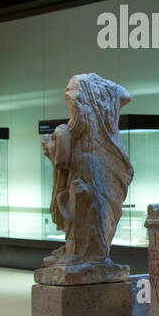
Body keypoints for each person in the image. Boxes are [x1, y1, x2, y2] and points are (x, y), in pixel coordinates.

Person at [41, 73, 133, 274]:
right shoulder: (80, 125)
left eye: (71, 97)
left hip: (95, 166)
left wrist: (102, 86)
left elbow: (125, 94)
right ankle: (77, 251)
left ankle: (95, 256)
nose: (70, 102)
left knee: (95, 207)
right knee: (79, 209)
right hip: (84, 167)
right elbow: (63, 159)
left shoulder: (97, 119)